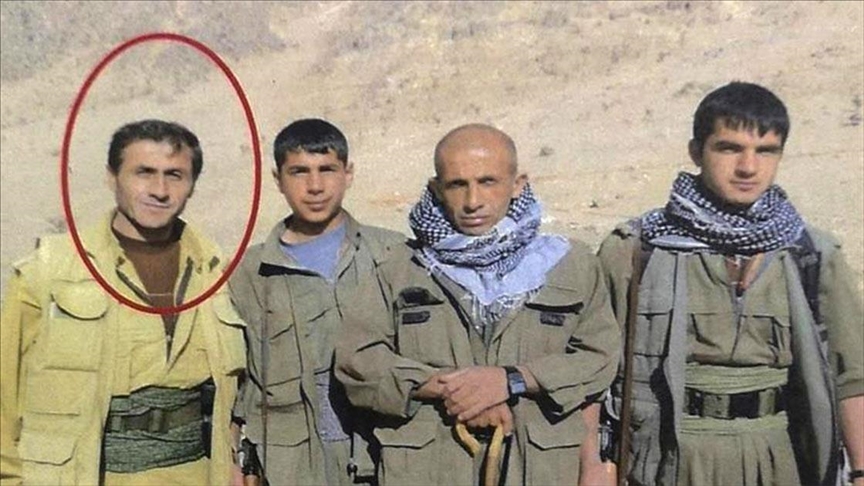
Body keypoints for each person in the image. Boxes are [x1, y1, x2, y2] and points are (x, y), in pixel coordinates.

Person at [599, 81, 864, 485]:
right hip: (668, 457)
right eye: (729, 148)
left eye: (766, 151)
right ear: (696, 152)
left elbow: (852, 378)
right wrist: (598, 468)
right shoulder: (638, 249)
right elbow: (594, 376)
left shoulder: (810, 254)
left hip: (779, 458)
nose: (748, 167)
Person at [335, 123, 620, 485]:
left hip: (539, 469)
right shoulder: (399, 268)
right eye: (457, 185)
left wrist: (512, 381)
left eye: (488, 182)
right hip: (428, 469)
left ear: (517, 184)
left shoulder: (570, 265)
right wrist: (449, 388)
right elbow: (357, 362)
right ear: (437, 189)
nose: (473, 201)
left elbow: (599, 358)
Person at [0, 119, 247, 485]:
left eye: (175, 175)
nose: (159, 190)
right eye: (143, 173)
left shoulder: (216, 271)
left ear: (192, 184)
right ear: (112, 177)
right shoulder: (49, 270)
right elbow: (5, 394)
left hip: (194, 473)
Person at [228, 118, 404, 485]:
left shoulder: (393, 255)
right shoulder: (250, 273)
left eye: (327, 169)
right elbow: (237, 384)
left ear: (348, 173)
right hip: (292, 468)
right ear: (278, 179)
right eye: (299, 172)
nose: (315, 186)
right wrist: (236, 461)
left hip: (384, 459)